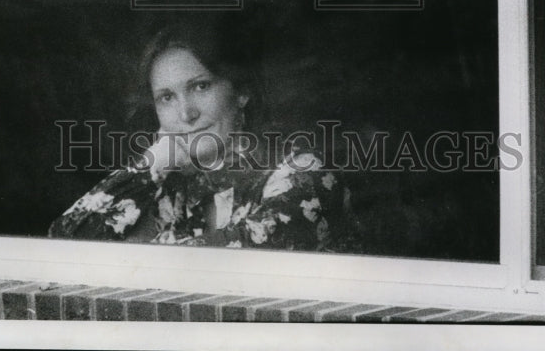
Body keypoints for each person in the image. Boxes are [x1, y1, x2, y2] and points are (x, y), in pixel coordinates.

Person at [48, 19, 355, 250]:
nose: (186, 113)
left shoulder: (302, 173)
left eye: (200, 86)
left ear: (241, 92)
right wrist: (150, 166)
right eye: (167, 97)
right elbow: (61, 248)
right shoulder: (171, 186)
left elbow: (223, 271)